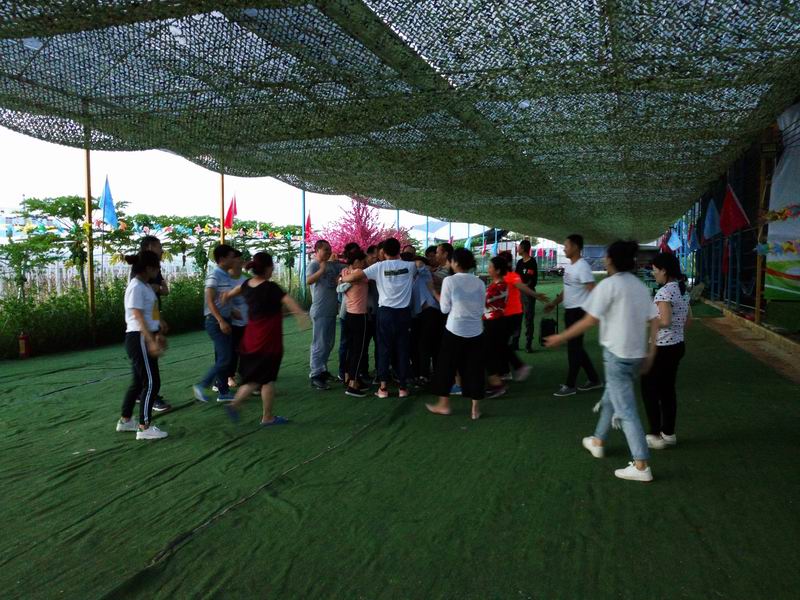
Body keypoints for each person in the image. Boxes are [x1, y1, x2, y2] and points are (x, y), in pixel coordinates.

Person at [545, 240, 659, 482]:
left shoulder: (609, 286)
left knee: (626, 410)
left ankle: (641, 466)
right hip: (636, 355)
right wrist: (651, 352)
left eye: (606, 256)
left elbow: (589, 321)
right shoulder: (638, 286)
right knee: (611, 399)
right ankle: (598, 441)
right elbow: (654, 319)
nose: (604, 259)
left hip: (618, 357)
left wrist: (561, 337)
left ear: (611, 260)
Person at [221, 252, 309, 426]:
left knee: (254, 379)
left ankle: (235, 405)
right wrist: (301, 315)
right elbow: (290, 302)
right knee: (267, 379)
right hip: (268, 342)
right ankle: (267, 417)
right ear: (268, 268)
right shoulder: (271, 288)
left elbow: (232, 293)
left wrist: (225, 297)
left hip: (250, 341)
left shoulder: (246, 285)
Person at [342, 237, 416, 398]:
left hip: (385, 313)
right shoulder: (410, 266)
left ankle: (383, 388)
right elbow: (420, 266)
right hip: (404, 314)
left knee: (384, 349)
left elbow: (356, 276)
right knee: (403, 349)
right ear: (399, 250)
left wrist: (342, 278)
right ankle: (403, 387)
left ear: (384, 252)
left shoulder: (378, 267)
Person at [426, 248, 486, 420]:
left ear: (456, 263)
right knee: (475, 369)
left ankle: (444, 405)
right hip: (476, 331)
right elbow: (481, 309)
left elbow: (445, 308)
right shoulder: (479, 282)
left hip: (455, 330)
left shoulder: (449, 281)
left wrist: (433, 292)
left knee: (446, 367)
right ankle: (475, 409)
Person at [641, 253, 691, 450]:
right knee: (667, 390)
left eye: (655, 270)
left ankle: (655, 434)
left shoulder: (664, 292)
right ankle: (668, 433)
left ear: (664, 270)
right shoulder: (682, 289)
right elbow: (687, 321)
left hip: (663, 348)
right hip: (677, 345)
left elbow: (665, 321)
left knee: (649, 389)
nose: (653, 274)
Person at [116, 251, 168, 440]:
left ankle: (125, 420)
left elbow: (150, 311)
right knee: (152, 382)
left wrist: (159, 325)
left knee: (138, 382)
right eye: (157, 268)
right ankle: (144, 427)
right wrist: (150, 340)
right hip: (139, 337)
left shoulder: (145, 286)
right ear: (148, 268)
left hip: (144, 336)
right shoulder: (136, 286)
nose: (158, 271)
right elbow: (137, 315)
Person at [544, 234, 602, 397]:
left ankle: (570, 385)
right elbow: (567, 289)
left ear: (576, 247)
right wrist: (554, 303)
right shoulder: (570, 266)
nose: (564, 249)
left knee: (574, 350)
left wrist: (597, 313)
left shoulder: (582, 267)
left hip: (578, 312)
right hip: (570, 312)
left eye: (566, 246)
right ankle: (594, 379)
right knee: (577, 348)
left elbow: (593, 290)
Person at [130, 235, 171, 412]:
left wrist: (158, 321)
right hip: (140, 331)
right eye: (159, 246)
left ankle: (128, 416)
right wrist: (150, 339)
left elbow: (164, 290)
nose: (162, 250)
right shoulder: (138, 281)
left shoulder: (150, 275)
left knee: (142, 374)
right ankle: (144, 419)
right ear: (149, 248)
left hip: (150, 323)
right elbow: (137, 312)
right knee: (149, 377)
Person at [193, 244, 237, 403]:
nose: (234, 260)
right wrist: (220, 320)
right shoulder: (214, 275)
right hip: (215, 321)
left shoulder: (226, 275)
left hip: (225, 319)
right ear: (222, 259)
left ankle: (223, 391)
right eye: (231, 257)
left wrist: (232, 312)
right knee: (225, 357)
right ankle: (202, 385)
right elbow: (210, 301)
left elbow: (222, 299)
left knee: (224, 357)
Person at [306, 239, 344, 390]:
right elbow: (308, 280)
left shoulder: (331, 264)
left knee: (328, 343)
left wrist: (339, 259)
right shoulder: (314, 264)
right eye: (325, 249)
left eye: (329, 249)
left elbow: (347, 266)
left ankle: (323, 370)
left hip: (331, 310)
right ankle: (315, 374)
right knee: (319, 343)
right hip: (320, 310)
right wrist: (321, 270)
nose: (329, 252)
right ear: (317, 251)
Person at [339, 249, 370, 397]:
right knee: (358, 350)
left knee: (352, 349)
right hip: (359, 316)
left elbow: (341, 280)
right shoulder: (359, 273)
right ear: (356, 261)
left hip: (349, 315)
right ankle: (352, 384)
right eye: (363, 261)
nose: (365, 263)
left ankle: (350, 378)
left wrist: (342, 279)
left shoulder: (345, 271)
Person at [484, 257, 510, 397]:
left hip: (494, 322)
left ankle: (497, 384)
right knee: (493, 351)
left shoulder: (500, 286)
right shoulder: (496, 284)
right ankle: (498, 381)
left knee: (490, 352)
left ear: (498, 270)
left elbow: (483, 300)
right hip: (493, 321)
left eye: (490, 267)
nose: (488, 269)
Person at [338, 242, 361, 382]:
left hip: (356, 311)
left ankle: (352, 374)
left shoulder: (354, 272)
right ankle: (344, 373)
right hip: (347, 312)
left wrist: (342, 280)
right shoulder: (347, 271)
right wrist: (343, 279)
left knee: (355, 345)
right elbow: (340, 288)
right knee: (346, 344)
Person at [226, 249, 248, 390]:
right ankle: (229, 376)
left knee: (246, 350)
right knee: (232, 351)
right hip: (232, 322)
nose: (240, 261)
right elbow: (221, 299)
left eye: (241, 259)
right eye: (237, 259)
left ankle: (244, 374)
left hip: (246, 321)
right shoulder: (226, 279)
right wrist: (232, 311)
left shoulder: (245, 279)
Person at [515, 239, 539, 352]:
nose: (517, 249)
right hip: (518, 294)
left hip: (528, 294)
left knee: (529, 319)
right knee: (517, 318)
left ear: (524, 249)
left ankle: (528, 344)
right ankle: (515, 342)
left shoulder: (532, 262)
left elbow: (533, 280)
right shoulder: (519, 262)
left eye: (519, 247)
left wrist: (524, 286)